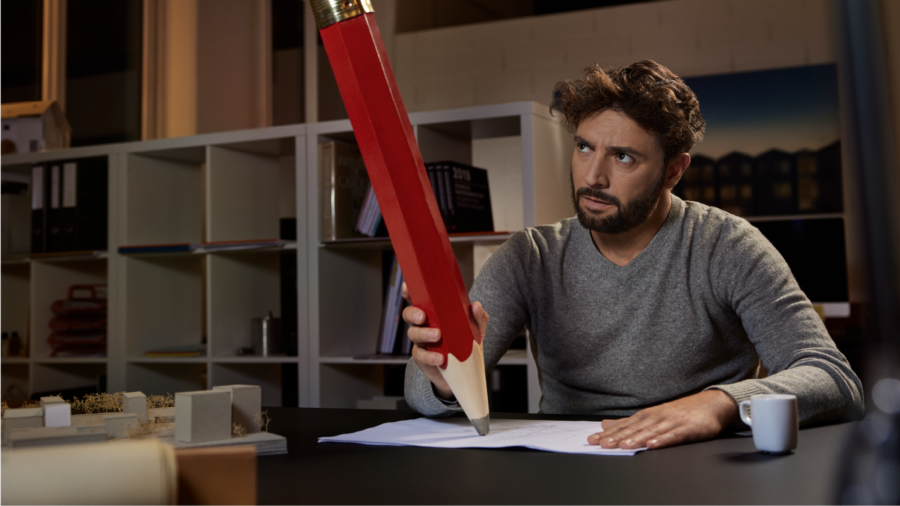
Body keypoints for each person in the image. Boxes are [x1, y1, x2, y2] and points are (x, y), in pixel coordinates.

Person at [402, 60, 864, 450]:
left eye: (623, 157)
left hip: (697, 466)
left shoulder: (728, 245)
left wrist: (722, 402)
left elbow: (833, 378)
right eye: (584, 148)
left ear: (673, 170)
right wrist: (445, 377)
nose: (594, 177)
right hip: (570, 462)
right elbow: (421, 395)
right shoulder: (530, 256)